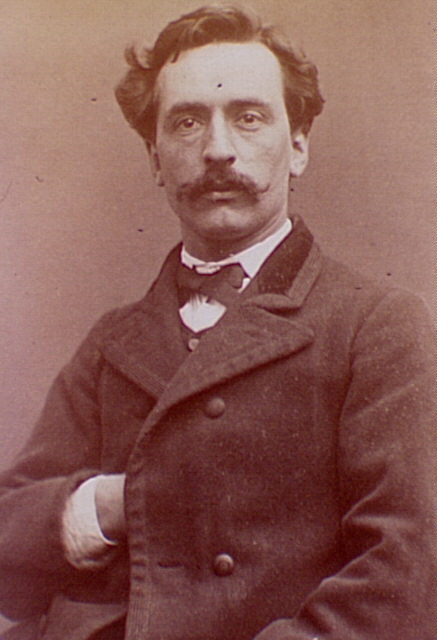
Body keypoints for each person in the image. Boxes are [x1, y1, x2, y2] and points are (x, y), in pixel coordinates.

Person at [0, 5, 435, 640]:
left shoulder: (377, 327)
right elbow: (10, 556)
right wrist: (110, 504)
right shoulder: (112, 342)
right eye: (186, 122)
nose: (218, 150)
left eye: (249, 117)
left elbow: (402, 580)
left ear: (298, 146)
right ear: (155, 158)